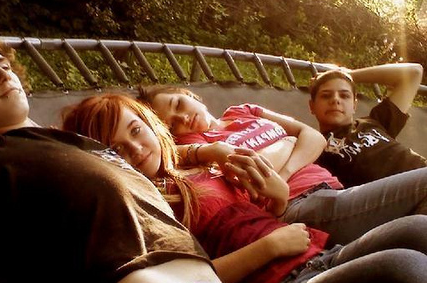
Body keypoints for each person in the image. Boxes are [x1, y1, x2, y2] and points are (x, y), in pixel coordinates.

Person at [0, 34, 300, 283]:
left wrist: (204, 151)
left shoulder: (73, 145)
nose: (1, 73)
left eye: (3, 65)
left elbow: (152, 153)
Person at [61, 93, 427, 283]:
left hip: (320, 252)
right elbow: (186, 282)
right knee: (407, 269)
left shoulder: (193, 167)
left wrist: (277, 198)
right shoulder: (142, 202)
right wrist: (267, 247)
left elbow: (268, 207)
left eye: (137, 130)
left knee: (418, 230)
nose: (137, 149)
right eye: (118, 148)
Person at [138, 85, 427, 245]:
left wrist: (283, 171)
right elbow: (249, 174)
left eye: (178, 105)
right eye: (171, 123)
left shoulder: (243, 110)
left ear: (188, 94)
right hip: (299, 205)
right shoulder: (197, 148)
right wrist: (289, 144)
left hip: (333, 191)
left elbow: (314, 137)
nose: (181, 118)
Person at [309, 63, 426, 187]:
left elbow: (414, 72)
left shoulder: (375, 121)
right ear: (312, 106)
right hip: (397, 197)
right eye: (326, 96)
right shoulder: (314, 147)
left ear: (354, 105)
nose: (335, 100)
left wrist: (349, 75)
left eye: (344, 95)